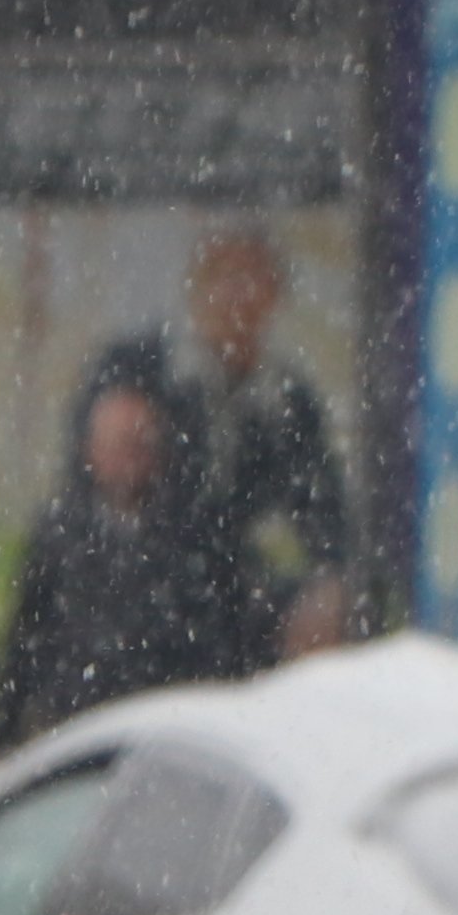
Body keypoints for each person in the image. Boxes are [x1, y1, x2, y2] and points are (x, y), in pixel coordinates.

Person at [0, 336, 266, 758]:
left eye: (140, 444)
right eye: (117, 445)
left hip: (168, 736)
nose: (129, 460)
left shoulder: (198, 536)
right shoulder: (61, 536)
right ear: (89, 450)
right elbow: (24, 643)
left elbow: (228, 640)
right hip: (78, 734)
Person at [172, 230, 352, 655]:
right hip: (153, 594)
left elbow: (324, 514)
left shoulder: (289, 403)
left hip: (246, 604)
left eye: (251, 280)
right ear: (197, 292)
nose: (237, 297)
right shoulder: (149, 379)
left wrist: (328, 585)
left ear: (274, 297)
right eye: (221, 278)